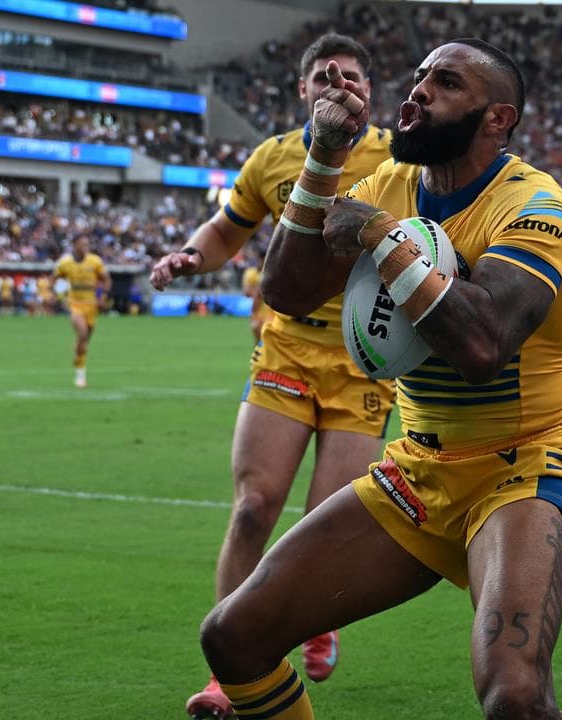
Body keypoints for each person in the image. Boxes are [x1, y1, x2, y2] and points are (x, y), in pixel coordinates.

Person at [196, 38, 562, 719]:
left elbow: (482, 344)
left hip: (519, 469)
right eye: (417, 78)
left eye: (445, 83)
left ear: (498, 118)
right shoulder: (388, 184)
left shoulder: (536, 207)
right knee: (233, 637)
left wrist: (382, 235)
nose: (418, 90)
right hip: (418, 471)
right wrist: (322, 158)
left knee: (515, 696)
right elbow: (286, 290)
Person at [147, 33, 396, 718]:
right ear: (302, 90)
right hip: (286, 350)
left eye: (349, 75)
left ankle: (315, 618)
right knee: (255, 506)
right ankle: (229, 677)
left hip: (364, 359)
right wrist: (188, 258)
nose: (336, 83)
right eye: (323, 74)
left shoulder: (397, 157)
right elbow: (228, 230)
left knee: (323, 524)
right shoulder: (273, 156)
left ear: (367, 92)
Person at [53, 234, 110, 388]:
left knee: (84, 341)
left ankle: (78, 356)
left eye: (87, 244)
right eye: (82, 244)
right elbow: (55, 279)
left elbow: (106, 279)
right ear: (74, 245)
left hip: (91, 305)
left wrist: (103, 297)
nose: (86, 246)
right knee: (82, 333)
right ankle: (80, 374)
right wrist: (60, 296)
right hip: (75, 304)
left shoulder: (95, 261)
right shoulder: (65, 263)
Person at [240, 247, 270, 343]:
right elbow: (247, 292)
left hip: (271, 311)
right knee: (257, 333)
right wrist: (259, 291)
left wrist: (256, 290)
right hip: (258, 309)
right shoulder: (251, 273)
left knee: (268, 336)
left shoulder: (270, 273)